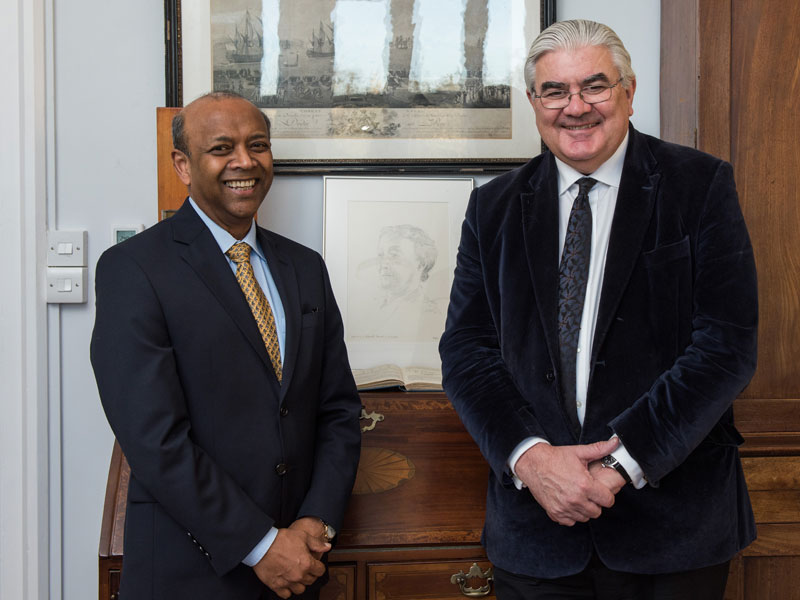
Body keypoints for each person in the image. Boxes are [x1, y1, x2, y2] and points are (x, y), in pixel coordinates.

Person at [439, 19, 757, 600]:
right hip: (537, 531)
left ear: (629, 92)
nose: (576, 107)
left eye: (595, 86)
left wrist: (617, 467)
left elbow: (725, 347)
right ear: (535, 102)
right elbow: (467, 352)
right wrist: (531, 459)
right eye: (555, 91)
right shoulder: (493, 208)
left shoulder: (699, 185)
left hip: (673, 532)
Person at [91, 91, 362, 600]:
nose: (245, 161)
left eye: (257, 145)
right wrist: (261, 546)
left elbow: (338, 411)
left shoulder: (305, 268)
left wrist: (315, 524)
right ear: (183, 164)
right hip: (187, 571)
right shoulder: (133, 269)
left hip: (299, 568)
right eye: (222, 148)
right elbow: (155, 439)